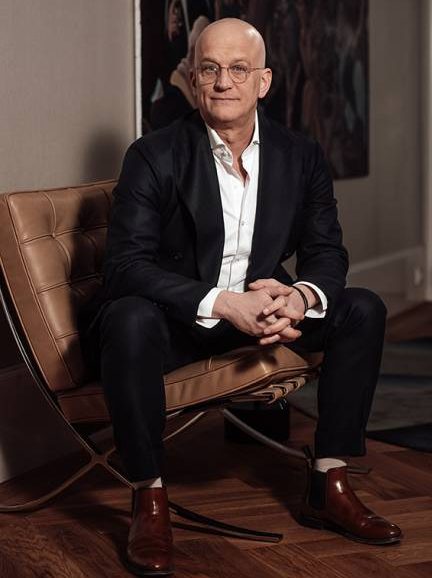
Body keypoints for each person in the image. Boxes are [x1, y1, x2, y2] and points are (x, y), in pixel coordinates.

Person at [90, 18, 402, 577]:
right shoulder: (153, 155)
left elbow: (326, 251)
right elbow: (125, 268)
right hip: (180, 321)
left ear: (264, 81)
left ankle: (328, 481)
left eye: (239, 69)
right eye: (209, 68)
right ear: (192, 78)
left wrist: (299, 297)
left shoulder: (300, 155)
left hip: (264, 311)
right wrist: (221, 302)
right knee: (127, 318)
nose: (223, 82)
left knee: (362, 308)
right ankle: (149, 497)